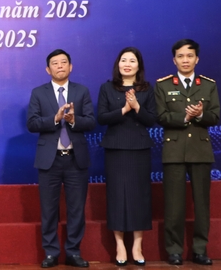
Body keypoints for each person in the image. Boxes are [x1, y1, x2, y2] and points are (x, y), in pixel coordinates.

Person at [27, 49, 95, 268]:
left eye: (63, 62)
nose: (59, 66)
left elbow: (91, 122)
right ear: (48, 69)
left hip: (75, 158)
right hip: (50, 159)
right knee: (49, 209)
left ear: (70, 67)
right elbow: (32, 123)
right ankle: (51, 253)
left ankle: (73, 252)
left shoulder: (81, 91)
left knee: (76, 209)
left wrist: (74, 121)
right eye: (54, 63)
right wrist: (54, 119)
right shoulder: (39, 93)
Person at [154, 39, 219, 266]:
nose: (185, 60)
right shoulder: (163, 85)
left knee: (202, 204)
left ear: (196, 59)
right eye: (180, 56)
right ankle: (174, 250)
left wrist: (200, 115)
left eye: (189, 56)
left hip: (201, 150)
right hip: (174, 151)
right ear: (174, 60)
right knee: (174, 205)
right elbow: (161, 117)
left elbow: (215, 116)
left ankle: (200, 249)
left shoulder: (208, 84)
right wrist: (184, 117)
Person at [96, 47, 156, 266]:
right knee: (117, 196)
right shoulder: (107, 88)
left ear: (139, 66)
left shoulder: (148, 89)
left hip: (139, 148)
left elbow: (152, 120)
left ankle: (137, 245)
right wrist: (124, 109)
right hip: (115, 148)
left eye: (132, 60)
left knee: (139, 196)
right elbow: (101, 117)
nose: (127, 64)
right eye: (123, 60)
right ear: (118, 64)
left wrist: (137, 106)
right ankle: (120, 245)